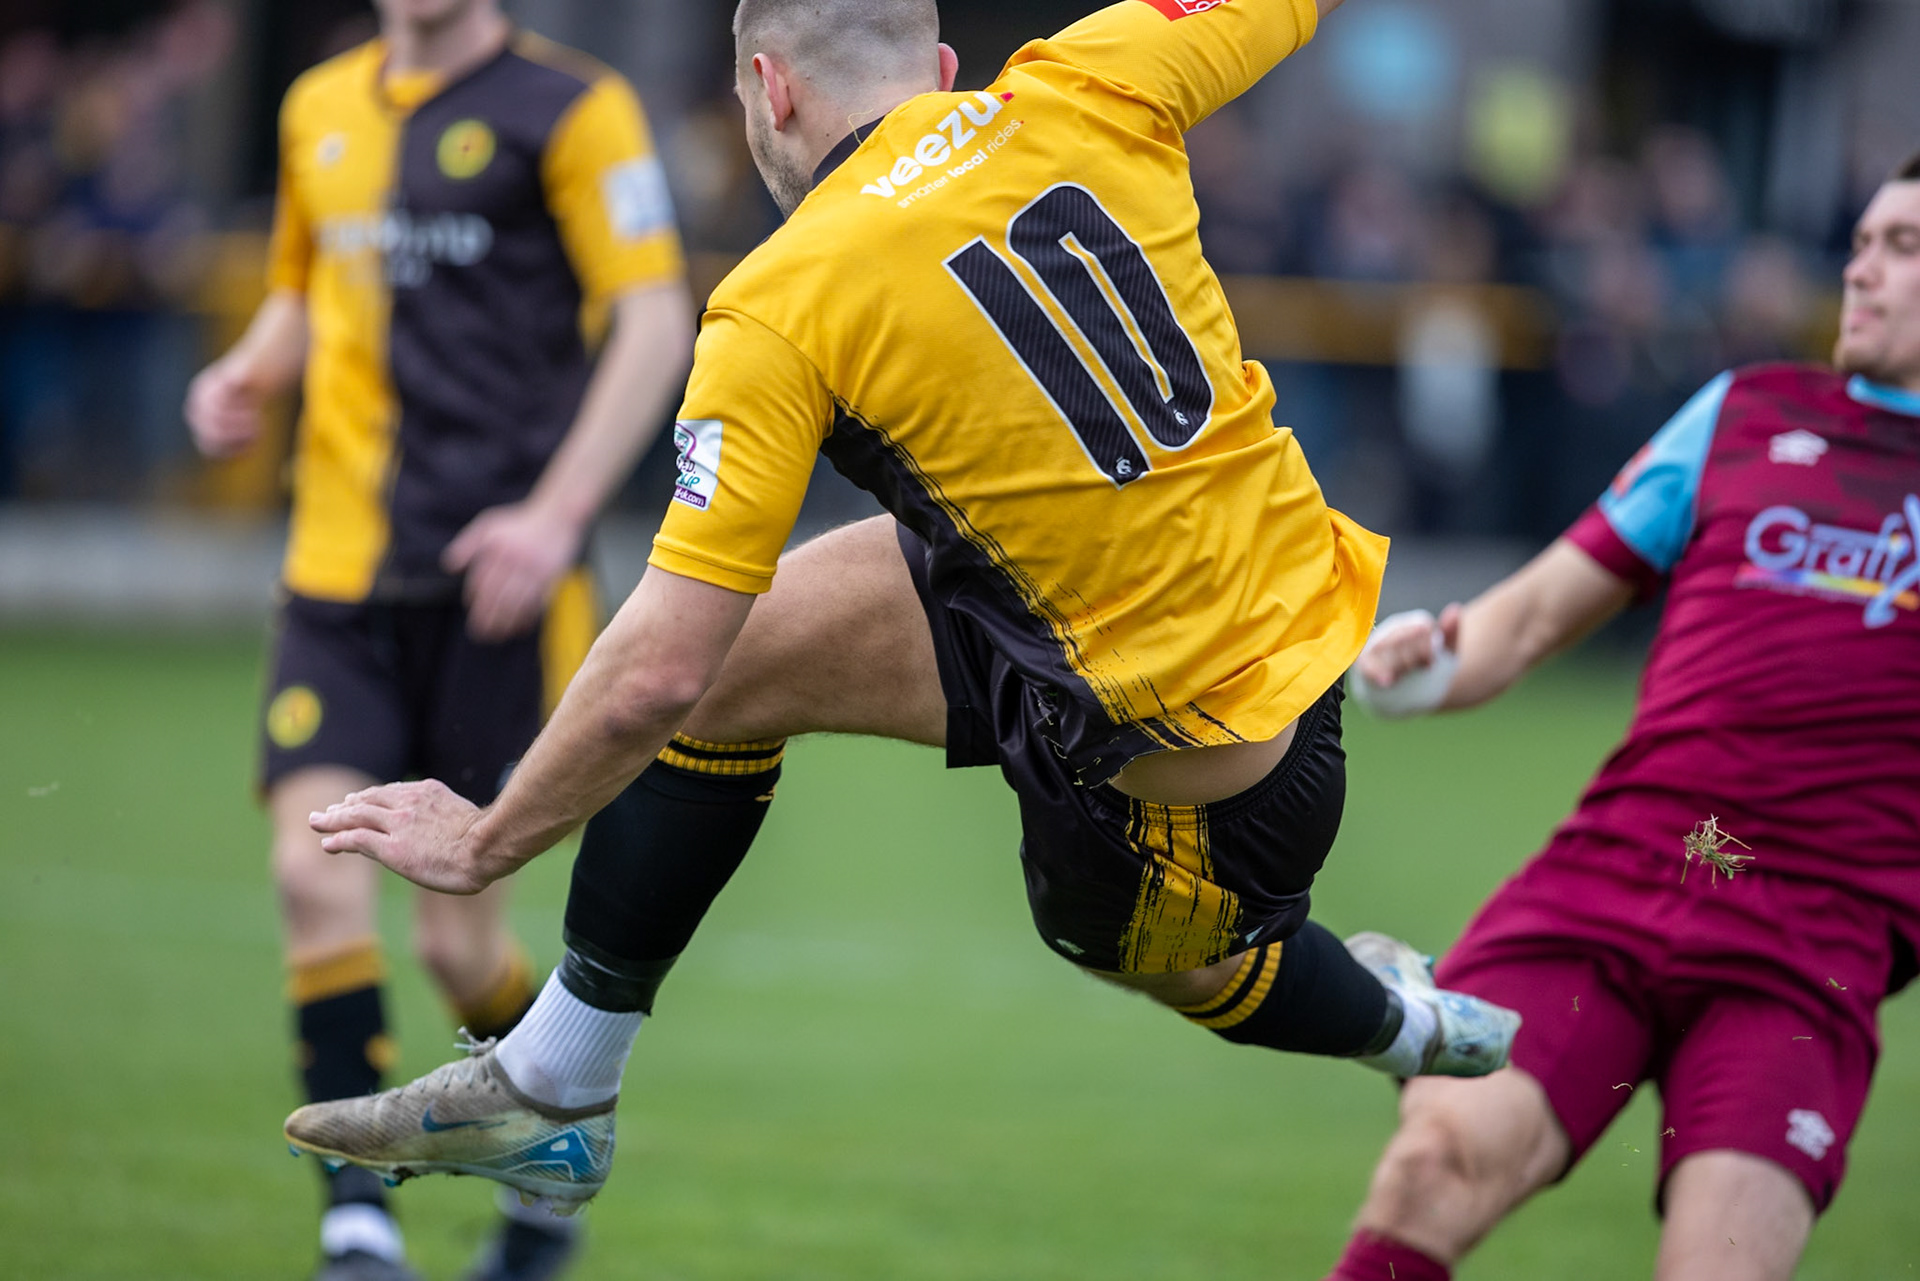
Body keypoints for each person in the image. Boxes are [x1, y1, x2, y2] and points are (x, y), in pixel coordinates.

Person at [283, 0, 1521, 1218]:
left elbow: (652, 664)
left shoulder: (781, 301)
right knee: (735, 665)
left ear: (769, 90)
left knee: (1162, 959)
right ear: (937, 66)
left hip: (1209, 774)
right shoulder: (1091, 72)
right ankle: (557, 1085)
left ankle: (1408, 1024)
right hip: (1189, 610)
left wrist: (485, 842)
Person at [1322, 153, 1920, 1281]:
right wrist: (1420, 666)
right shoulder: (1746, 413)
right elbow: (1536, 614)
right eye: (1863, 243)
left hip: (1809, 939)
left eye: (1904, 248)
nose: (1862, 272)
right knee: (1432, 1167)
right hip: (1620, 873)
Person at [183, 0, 694, 1273]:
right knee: (313, 874)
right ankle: (358, 1229)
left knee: (457, 937)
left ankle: (545, 1153)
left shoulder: (577, 111)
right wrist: (249, 366)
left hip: (499, 593)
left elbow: (654, 321)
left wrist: (555, 515)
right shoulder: (318, 106)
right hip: (337, 581)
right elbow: (305, 286)